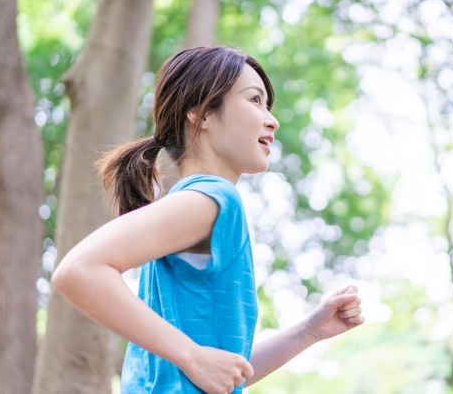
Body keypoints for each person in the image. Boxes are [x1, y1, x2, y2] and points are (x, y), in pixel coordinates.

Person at [52, 46, 365, 394]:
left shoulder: (196, 207)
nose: (272, 119)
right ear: (201, 113)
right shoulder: (214, 198)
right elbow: (78, 270)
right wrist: (191, 355)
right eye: (255, 100)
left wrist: (309, 330)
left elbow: (224, 373)